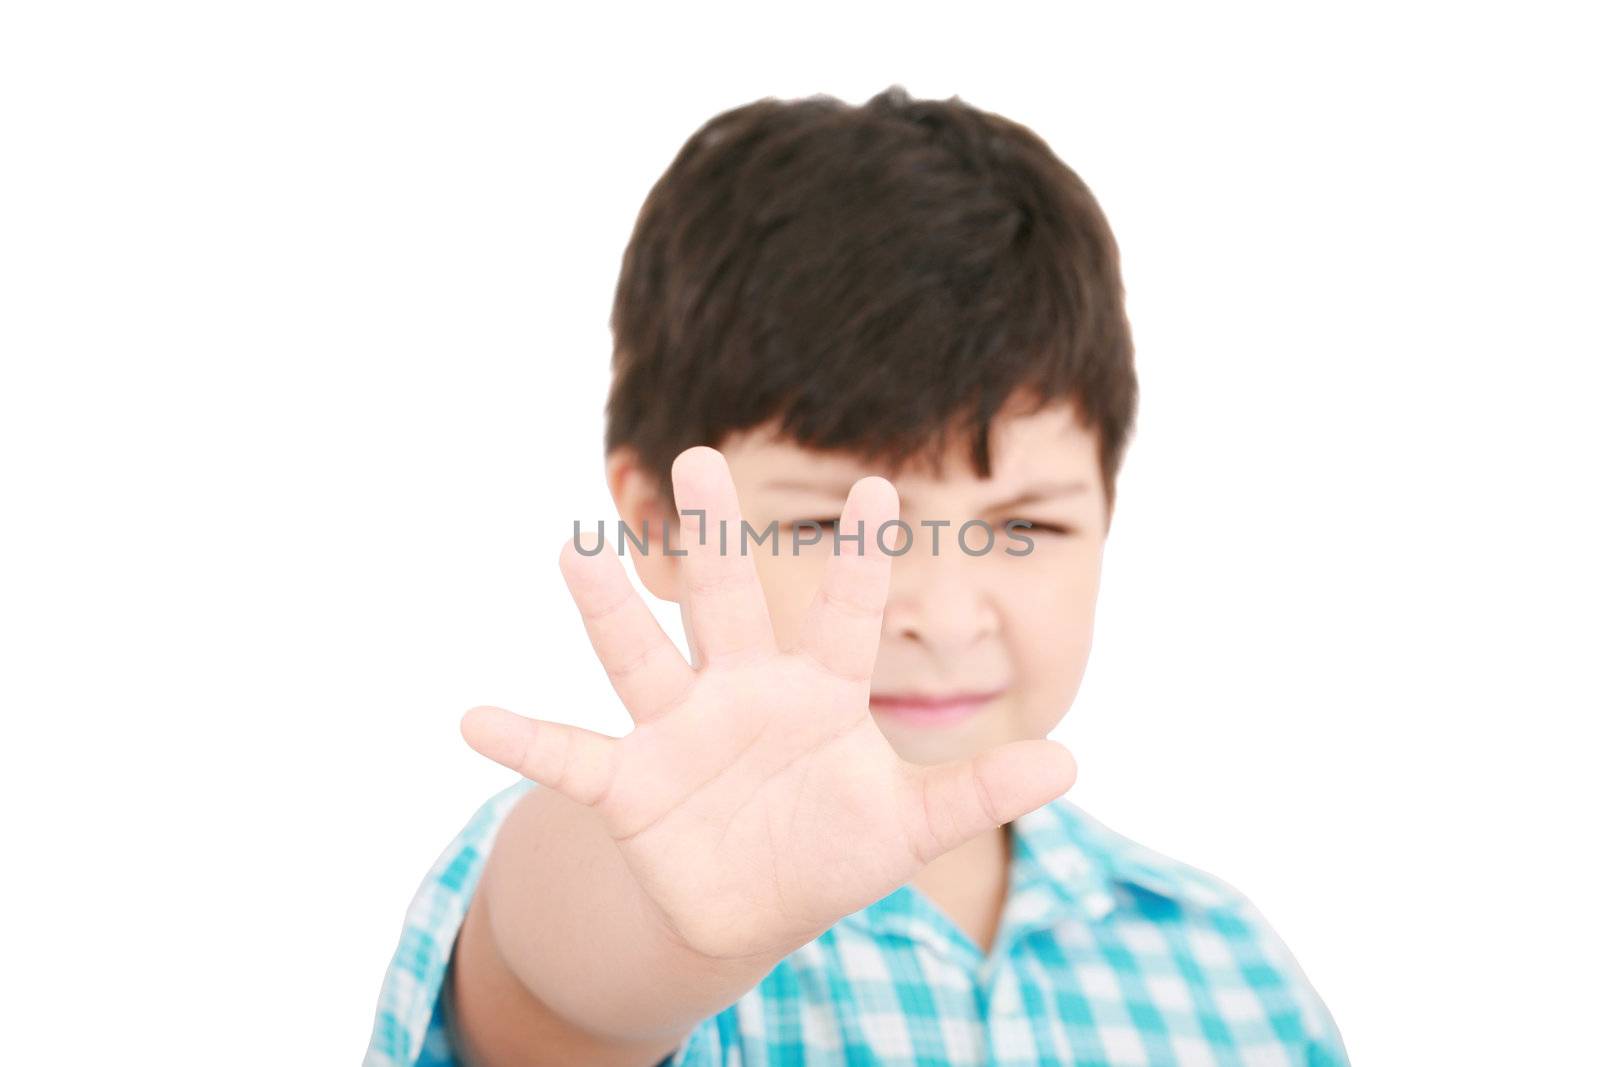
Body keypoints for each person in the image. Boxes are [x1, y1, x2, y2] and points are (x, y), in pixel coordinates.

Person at [363, 85, 1349, 1066]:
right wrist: (671, 920)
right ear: (660, 519)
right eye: (835, 523)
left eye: (1027, 524)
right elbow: (566, 974)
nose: (945, 615)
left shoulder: (1229, 969)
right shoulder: (631, 869)